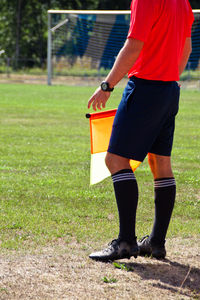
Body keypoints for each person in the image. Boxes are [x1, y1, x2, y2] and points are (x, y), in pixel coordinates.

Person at [87, 0, 194, 261]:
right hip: (170, 90)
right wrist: (170, 80)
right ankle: (156, 243)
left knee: (115, 160)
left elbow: (134, 44)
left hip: (145, 88)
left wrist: (107, 85)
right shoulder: (183, 2)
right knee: (161, 164)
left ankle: (125, 242)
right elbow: (187, 49)